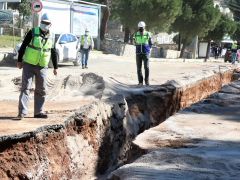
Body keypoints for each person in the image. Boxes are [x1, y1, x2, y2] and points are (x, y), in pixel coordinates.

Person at [16, 13, 58, 120]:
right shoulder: (33, 32)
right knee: (26, 88)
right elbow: (23, 46)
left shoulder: (51, 36)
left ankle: (38, 112)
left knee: (41, 89)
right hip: (29, 64)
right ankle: (22, 112)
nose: (45, 25)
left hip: (42, 66)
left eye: (47, 23)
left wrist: (55, 67)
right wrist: (19, 60)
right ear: (40, 23)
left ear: (50, 25)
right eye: (43, 23)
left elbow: (53, 52)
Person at [133, 21, 152, 86]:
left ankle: (147, 81)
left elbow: (150, 43)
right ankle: (140, 82)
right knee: (139, 68)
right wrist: (137, 44)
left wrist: (149, 50)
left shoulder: (148, 34)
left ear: (144, 27)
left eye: (142, 27)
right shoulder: (136, 34)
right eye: (140, 27)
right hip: (138, 53)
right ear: (138, 28)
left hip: (146, 53)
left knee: (146, 67)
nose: (141, 29)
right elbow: (134, 42)